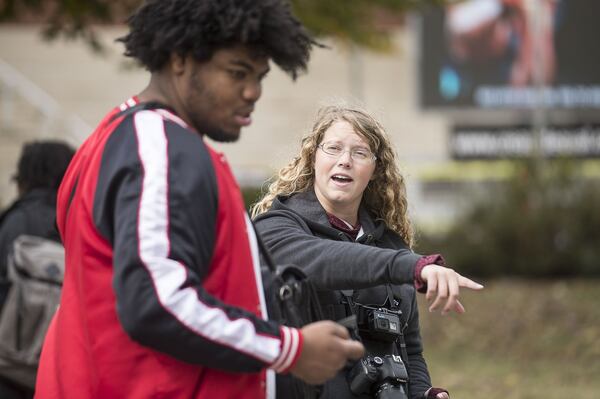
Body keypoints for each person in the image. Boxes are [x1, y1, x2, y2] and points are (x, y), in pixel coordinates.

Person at [35, 1, 364, 398]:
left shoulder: (114, 135)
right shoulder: (161, 146)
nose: (253, 92)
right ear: (180, 60)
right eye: (237, 73)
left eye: (260, 76)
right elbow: (156, 302)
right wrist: (291, 349)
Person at [252, 104, 484, 398]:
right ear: (313, 159)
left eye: (359, 153)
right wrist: (414, 267)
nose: (344, 161)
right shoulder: (275, 228)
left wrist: (425, 394)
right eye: (333, 148)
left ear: (375, 170)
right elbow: (325, 260)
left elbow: (409, 352)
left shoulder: (390, 246)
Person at [0, 140, 74, 399]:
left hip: (6, 371)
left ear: (23, 180)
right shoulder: (78, 225)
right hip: (57, 375)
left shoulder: (12, 222)